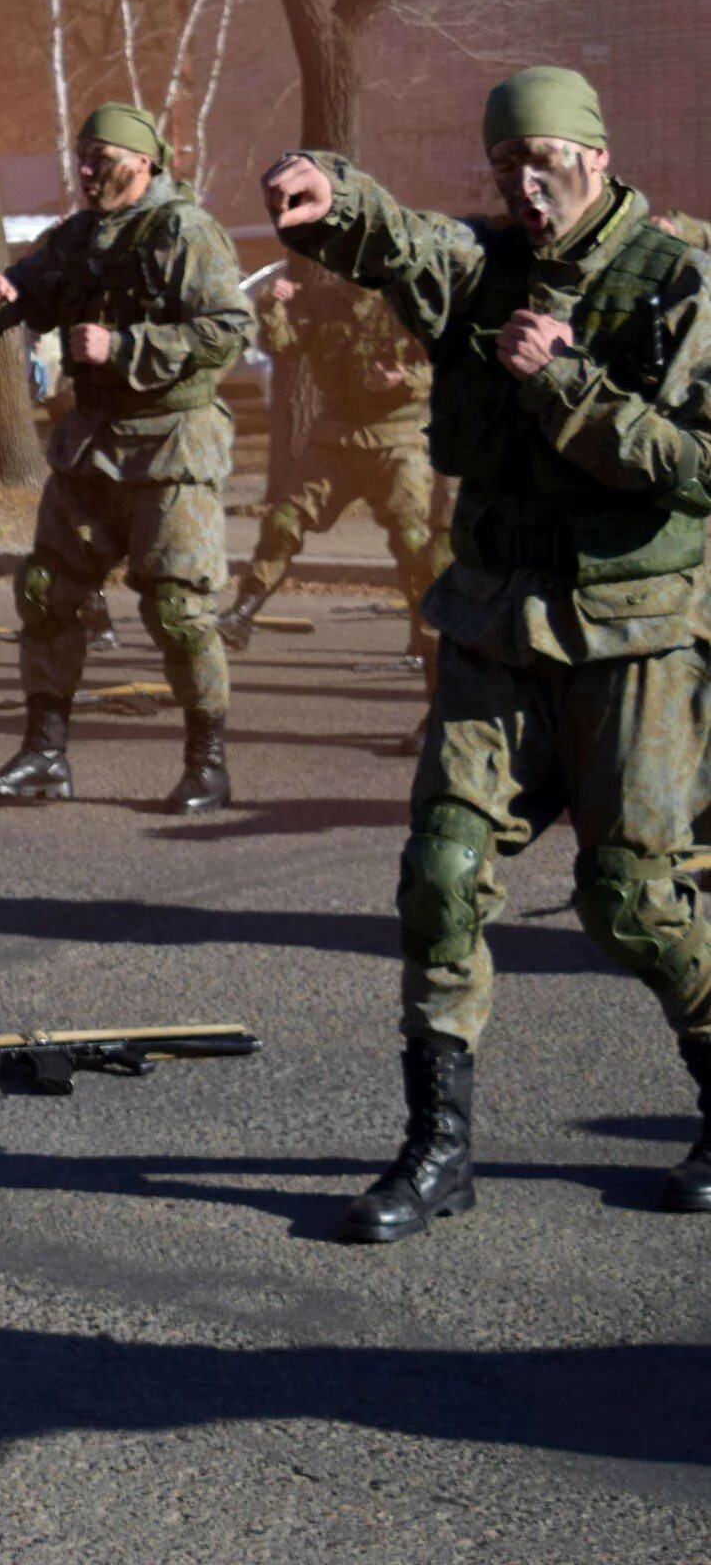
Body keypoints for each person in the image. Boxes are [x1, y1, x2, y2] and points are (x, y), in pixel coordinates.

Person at [263, 67, 711, 1233]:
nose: (525, 183)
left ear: (598, 158)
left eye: (546, 160)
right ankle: (438, 1147)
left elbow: (698, 464)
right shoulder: (480, 261)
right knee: (442, 874)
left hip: (635, 633)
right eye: (507, 164)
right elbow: (402, 240)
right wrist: (331, 190)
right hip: (495, 621)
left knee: (634, 902)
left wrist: (560, 380)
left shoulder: (677, 280)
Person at [0, 103, 253, 814]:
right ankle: (44, 755)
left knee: (179, 610)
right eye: (82, 157)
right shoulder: (78, 236)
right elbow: (23, 294)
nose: (88, 169)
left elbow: (229, 330)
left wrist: (128, 349)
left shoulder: (186, 230)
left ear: (145, 162)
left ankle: (206, 763)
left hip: (171, 444)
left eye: (102, 157)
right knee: (44, 592)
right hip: (92, 445)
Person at [215, 256, 440, 658]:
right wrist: (271, 307)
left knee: (412, 539)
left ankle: (426, 637)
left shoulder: (408, 300)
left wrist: (402, 379)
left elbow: (440, 365)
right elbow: (283, 346)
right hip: (335, 439)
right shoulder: (322, 300)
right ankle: (242, 614)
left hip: (396, 440)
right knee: (284, 520)